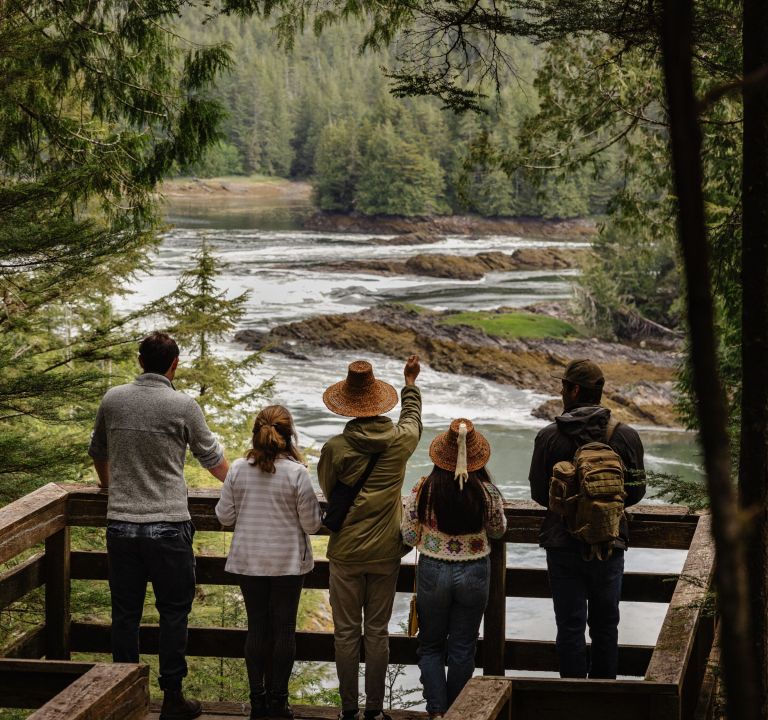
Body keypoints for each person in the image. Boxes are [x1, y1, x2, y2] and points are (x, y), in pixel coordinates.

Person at [88, 331, 229, 720]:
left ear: (139, 361)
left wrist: (108, 486)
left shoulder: (113, 399)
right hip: (168, 523)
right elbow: (213, 461)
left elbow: (98, 450)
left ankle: (124, 696)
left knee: (125, 614)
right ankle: (172, 698)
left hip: (121, 522)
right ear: (175, 364)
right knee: (173, 613)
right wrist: (243, 486)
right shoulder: (183, 405)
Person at [318, 356, 422, 720]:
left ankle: (349, 710)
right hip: (385, 553)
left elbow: (331, 493)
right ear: (380, 402)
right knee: (376, 633)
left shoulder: (335, 448)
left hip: (346, 553)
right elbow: (412, 419)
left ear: (347, 403)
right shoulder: (401, 441)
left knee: (346, 634)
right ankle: (375, 711)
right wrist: (409, 383)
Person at [528, 358, 646, 679]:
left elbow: (540, 494)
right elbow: (635, 493)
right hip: (609, 541)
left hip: (562, 543)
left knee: (570, 626)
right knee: (606, 627)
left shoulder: (549, 436)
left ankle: (572, 703)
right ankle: (604, 702)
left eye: (564, 386)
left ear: (574, 390)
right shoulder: (625, 436)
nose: (562, 391)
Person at [215, 405, 322, 720]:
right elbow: (312, 524)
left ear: (255, 434)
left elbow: (224, 515)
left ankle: (257, 702)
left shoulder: (237, 469)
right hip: (288, 562)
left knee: (257, 628)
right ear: (289, 436)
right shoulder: (297, 473)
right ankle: (279, 703)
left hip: (249, 560)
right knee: (284, 629)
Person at [401, 418, 506, 719]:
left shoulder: (423, 488)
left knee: (431, 647)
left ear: (441, 454)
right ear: (476, 456)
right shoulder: (487, 492)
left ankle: (437, 712)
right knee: (463, 648)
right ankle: (458, 715)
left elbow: (408, 535)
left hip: (433, 570)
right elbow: (498, 531)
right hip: (474, 571)